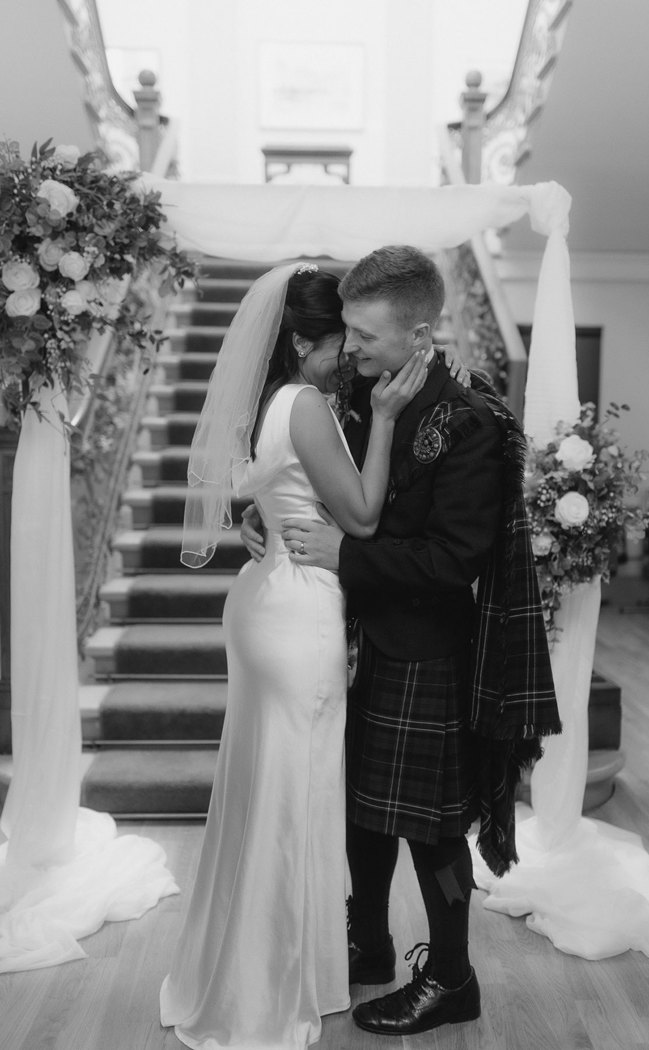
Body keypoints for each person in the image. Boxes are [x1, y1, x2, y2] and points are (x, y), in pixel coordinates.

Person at [242, 245, 560, 1037]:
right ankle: (369, 938)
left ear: (421, 334)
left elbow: (453, 561)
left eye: (367, 337)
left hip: (426, 646)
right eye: (346, 333)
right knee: (362, 813)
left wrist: (347, 554)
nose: (348, 350)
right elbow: (316, 476)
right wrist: (261, 512)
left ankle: (453, 980)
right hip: (348, 636)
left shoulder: (473, 424)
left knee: (431, 825)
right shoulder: (355, 391)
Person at [160, 261, 428, 1050]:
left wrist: (259, 516)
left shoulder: (265, 398)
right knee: (291, 797)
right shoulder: (307, 404)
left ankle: (286, 967)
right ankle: (264, 988)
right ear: (307, 337)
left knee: (266, 790)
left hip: (262, 594)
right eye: (342, 335)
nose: (352, 351)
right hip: (296, 612)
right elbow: (365, 517)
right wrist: (382, 420)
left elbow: (254, 487)